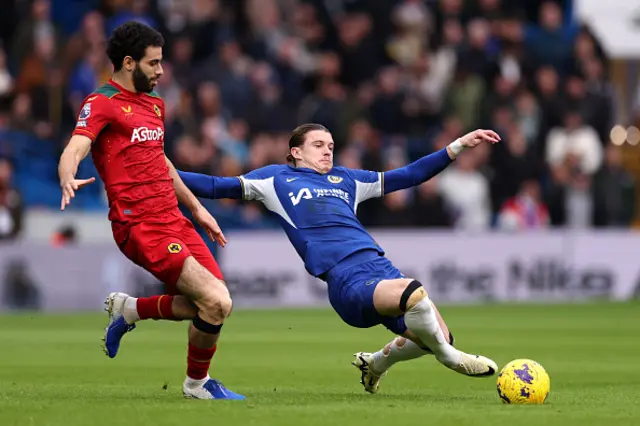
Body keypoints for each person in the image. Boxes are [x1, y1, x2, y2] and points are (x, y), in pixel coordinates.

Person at [178, 123, 501, 394]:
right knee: (415, 295)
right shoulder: (275, 180)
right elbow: (214, 186)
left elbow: (411, 175)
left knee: (435, 334)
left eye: (331, 145)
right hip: (347, 280)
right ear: (296, 152)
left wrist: (459, 145)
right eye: (318, 145)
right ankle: (449, 358)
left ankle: (375, 364)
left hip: (380, 266)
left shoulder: (348, 179)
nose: (327, 150)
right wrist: (160, 169)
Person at [57, 21, 244, 400]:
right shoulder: (101, 102)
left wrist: (197, 210)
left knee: (209, 306)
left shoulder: (155, 105)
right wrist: (67, 174)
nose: (161, 71)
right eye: (154, 63)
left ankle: (130, 310)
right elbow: (76, 146)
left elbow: (161, 162)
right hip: (139, 225)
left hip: (174, 219)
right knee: (217, 300)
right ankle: (197, 386)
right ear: (128, 63)